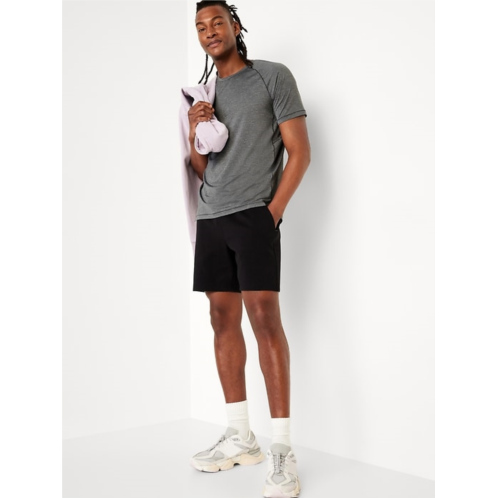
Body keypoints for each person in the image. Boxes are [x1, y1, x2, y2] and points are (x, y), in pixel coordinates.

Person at [185, 1, 311, 496]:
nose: (209, 31)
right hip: (211, 218)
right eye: (200, 27)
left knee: (264, 319)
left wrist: (272, 212)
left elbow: (299, 151)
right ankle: (241, 437)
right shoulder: (204, 93)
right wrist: (195, 130)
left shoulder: (271, 76)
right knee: (221, 320)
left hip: (255, 215)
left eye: (217, 22)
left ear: (235, 27)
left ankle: (282, 449)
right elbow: (203, 169)